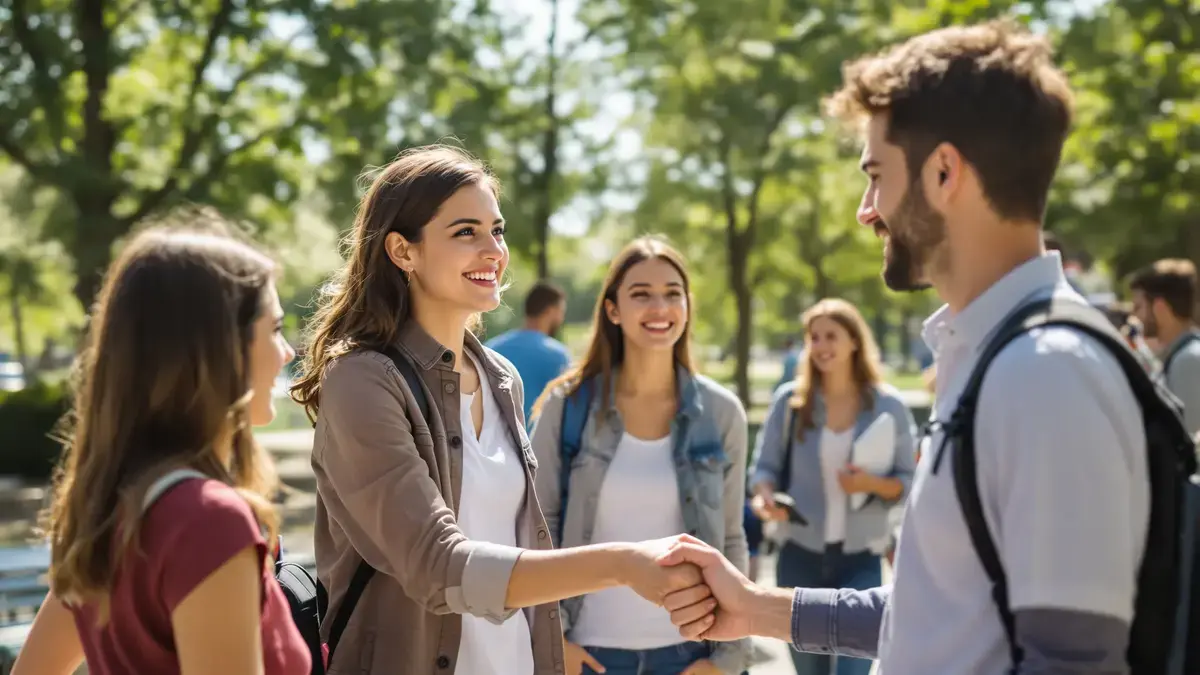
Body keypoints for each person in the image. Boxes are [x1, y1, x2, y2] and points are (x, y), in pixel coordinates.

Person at [660, 19, 1153, 675]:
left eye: (876, 174)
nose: (867, 208)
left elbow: (1071, 660)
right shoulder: (995, 358)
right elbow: (937, 613)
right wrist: (753, 608)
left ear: (945, 171)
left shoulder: (1045, 375)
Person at [288, 146, 712, 675]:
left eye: (498, 229)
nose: (493, 250)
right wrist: (621, 565)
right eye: (466, 232)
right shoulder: (363, 380)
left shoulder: (500, 376)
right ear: (403, 251)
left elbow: (519, 539)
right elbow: (437, 565)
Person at [13, 222, 309, 674]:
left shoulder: (109, 512)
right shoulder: (208, 520)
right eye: (275, 329)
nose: (287, 352)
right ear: (216, 349)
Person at [529, 236, 751, 675]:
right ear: (613, 310)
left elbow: (731, 540)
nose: (659, 308)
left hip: (691, 657)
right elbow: (535, 531)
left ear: (687, 306)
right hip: (587, 655)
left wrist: (727, 658)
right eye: (641, 295)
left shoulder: (721, 413)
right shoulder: (567, 407)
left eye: (672, 294)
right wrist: (551, 640)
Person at [749, 298, 916, 675]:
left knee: (854, 669)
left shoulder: (888, 406)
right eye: (814, 337)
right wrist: (764, 499)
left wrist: (868, 483)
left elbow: (909, 484)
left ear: (855, 341)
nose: (821, 346)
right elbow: (763, 469)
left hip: (861, 557)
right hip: (800, 555)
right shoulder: (790, 403)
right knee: (809, 670)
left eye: (831, 336)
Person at [1129, 258, 1200, 438]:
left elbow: (1187, 444)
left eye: (1138, 307)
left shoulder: (1188, 361)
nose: (1133, 316)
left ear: (1160, 308)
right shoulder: (1183, 355)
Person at [486, 279, 572, 422]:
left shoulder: (491, 348)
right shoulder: (558, 356)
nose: (561, 318)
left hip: (493, 441)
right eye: (560, 312)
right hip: (536, 442)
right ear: (550, 311)